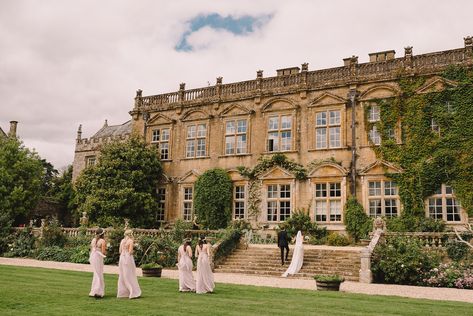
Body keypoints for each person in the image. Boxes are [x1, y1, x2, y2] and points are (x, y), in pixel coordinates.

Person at [117, 229, 141, 299]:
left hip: (122, 257)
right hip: (128, 257)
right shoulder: (130, 241)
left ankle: (123, 292)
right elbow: (130, 252)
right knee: (130, 274)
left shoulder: (122, 241)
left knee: (122, 274)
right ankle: (132, 292)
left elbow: (120, 251)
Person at [89, 228, 106, 298]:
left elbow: (91, 248)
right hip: (98, 257)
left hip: (93, 256)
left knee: (95, 273)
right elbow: (103, 252)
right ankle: (98, 291)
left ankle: (93, 291)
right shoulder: (102, 241)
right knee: (99, 273)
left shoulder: (93, 240)